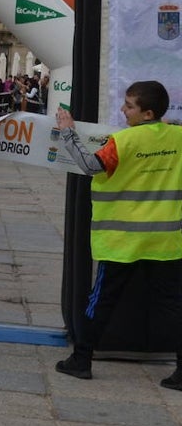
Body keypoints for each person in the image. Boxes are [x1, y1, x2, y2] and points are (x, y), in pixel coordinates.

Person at [54, 81, 182, 389]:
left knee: (101, 301)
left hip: (122, 241)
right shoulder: (179, 137)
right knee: (173, 306)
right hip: (166, 241)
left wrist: (67, 130)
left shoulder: (122, 142)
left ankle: (81, 360)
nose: (123, 111)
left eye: (129, 106)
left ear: (146, 112)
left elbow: (89, 165)